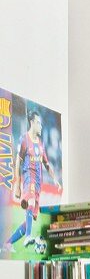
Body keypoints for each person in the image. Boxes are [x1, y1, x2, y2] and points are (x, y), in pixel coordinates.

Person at [1, 108, 59, 253]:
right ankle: (28, 237)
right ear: (32, 123)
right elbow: (18, 161)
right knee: (30, 202)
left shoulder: (40, 143)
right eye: (39, 123)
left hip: (38, 182)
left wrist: (55, 180)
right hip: (28, 178)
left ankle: (7, 244)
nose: (41, 126)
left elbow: (46, 163)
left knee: (29, 221)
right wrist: (17, 184)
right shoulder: (24, 139)